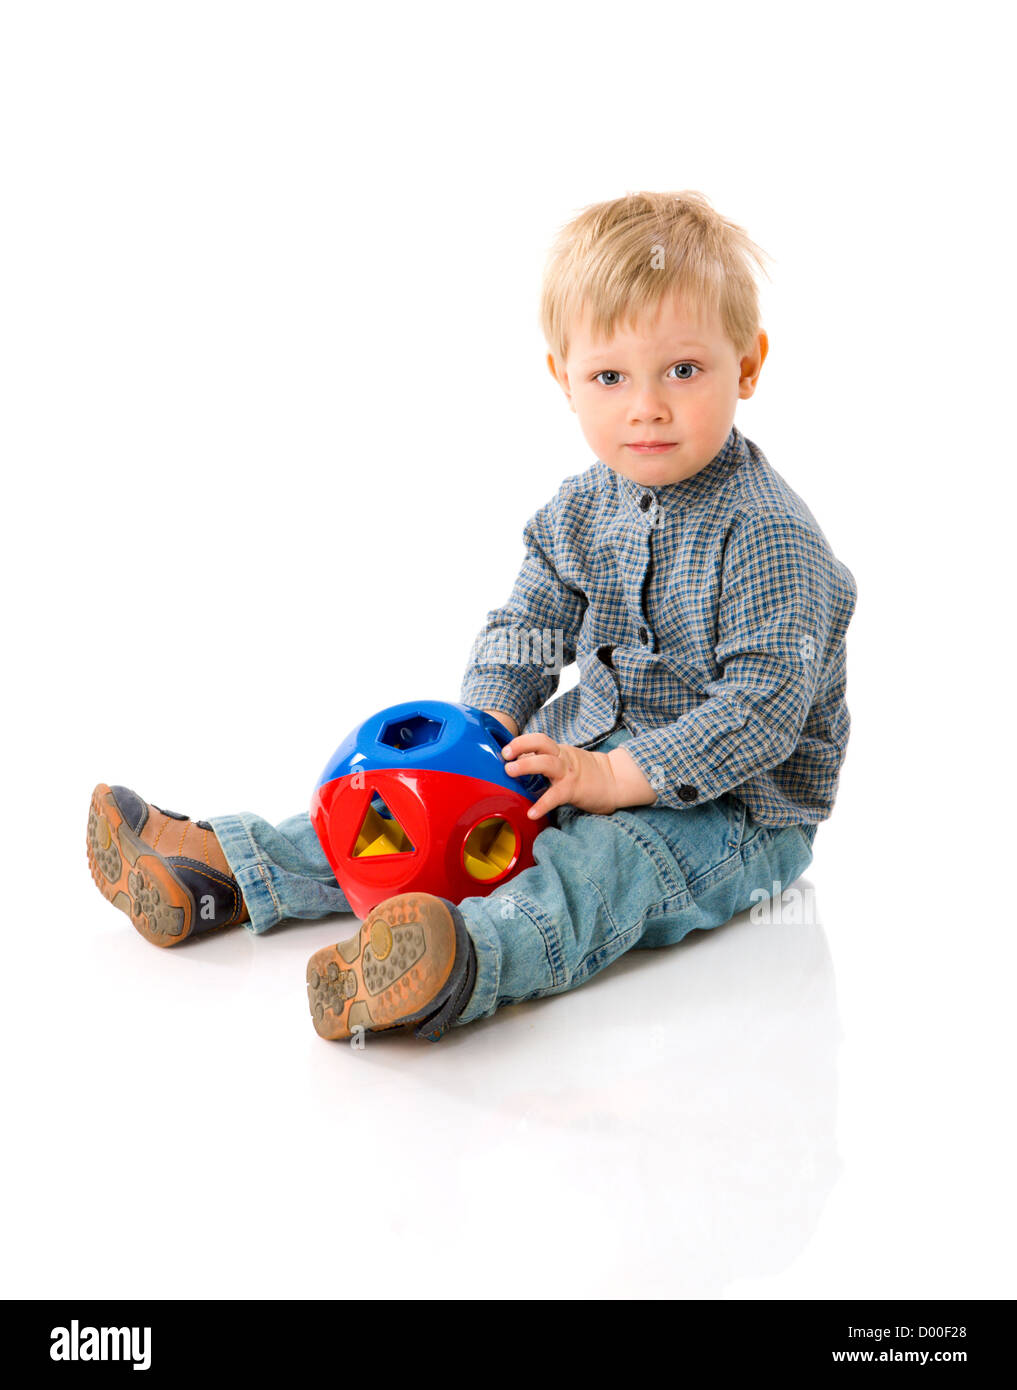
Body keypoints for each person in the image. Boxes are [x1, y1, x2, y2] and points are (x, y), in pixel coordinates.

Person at [87, 190, 857, 1046]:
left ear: (745, 366)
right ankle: (225, 869)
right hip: (577, 759)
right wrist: (488, 716)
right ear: (562, 378)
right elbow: (528, 620)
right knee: (416, 811)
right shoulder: (581, 507)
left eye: (683, 370)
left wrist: (612, 781)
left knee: (602, 868)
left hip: (731, 817)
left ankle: (457, 964)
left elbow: (762, 712)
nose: (645, 406)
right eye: (610, 377)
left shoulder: (767, 537)